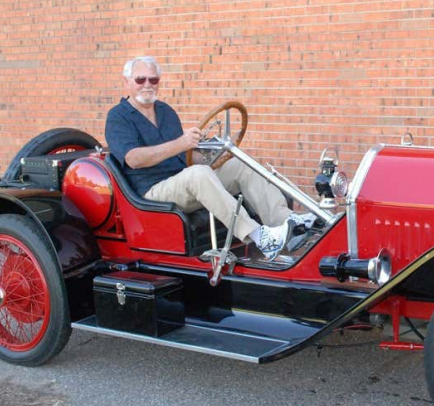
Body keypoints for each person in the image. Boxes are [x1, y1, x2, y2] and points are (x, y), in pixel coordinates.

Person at [105, 56, 313, 260]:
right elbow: (133, 159)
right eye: (140, 79)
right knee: (198, 174)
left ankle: (287, 224)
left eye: (154, 80)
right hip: (151, 192)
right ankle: (261, 238)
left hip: (184, 180)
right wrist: (181, 143)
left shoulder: (165, 111)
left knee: (239, 165)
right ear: (127, 82)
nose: (147, 85)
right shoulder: (118, 117)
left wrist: (215, 154)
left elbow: (184, 156)